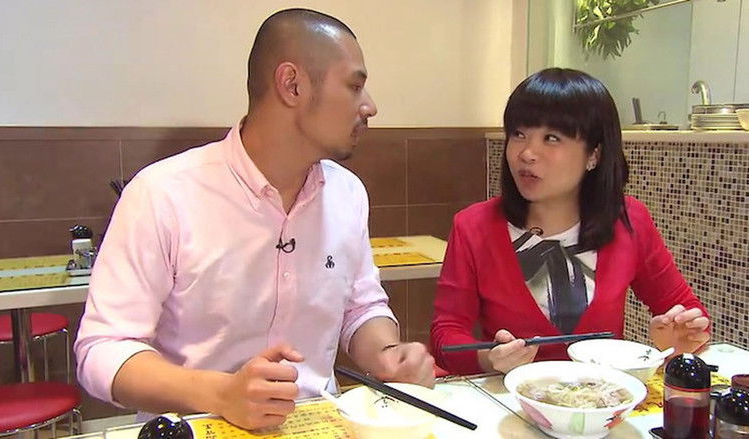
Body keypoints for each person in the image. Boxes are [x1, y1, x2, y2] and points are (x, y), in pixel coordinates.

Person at [75, 8, 434, 430]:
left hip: (316, 423)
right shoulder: (162, 193)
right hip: (196, 426)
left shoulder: (347, 193)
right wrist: (220, 393)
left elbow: (362, 306)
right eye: (355, 86)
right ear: (292, 84)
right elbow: (103, 349)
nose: (370, 106)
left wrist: (388, 354)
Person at [430, 68, 710, 376]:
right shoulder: (474, 226)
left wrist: (679, 339)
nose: (527, 153)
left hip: (605, 399)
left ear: (594, 154)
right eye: (519, 134)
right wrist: (489, 359)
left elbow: (687, 313)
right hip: (512, 399)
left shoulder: (628, 221)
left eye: (551, 138)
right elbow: (446, 336)